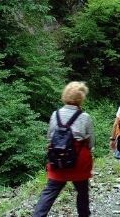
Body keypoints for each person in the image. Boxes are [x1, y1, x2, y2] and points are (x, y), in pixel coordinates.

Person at [33, 82, 95, 217]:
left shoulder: (55, 115)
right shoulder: (85, 117)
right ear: (81, 98)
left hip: (59, 159)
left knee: (50, 191)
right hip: (79, 161)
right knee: (82, 191)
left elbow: (50, 138)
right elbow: (91, 143)